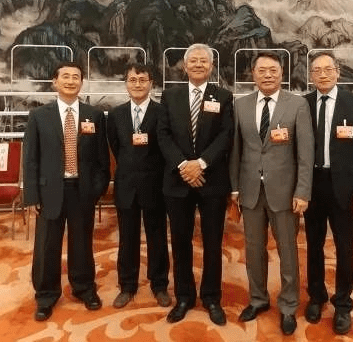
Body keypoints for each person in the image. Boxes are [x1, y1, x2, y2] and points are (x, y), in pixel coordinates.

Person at [229, 52, 314, 336]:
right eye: (262, 70)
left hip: (285, 193)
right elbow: (236, 151)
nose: (267, 75)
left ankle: (288, 305)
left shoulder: (297, 105)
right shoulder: (240, 105)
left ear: (281, 73)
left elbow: (305, 154)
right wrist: (235, 188)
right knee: (254, 251)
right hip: (250, 191)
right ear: (253, 74)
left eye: (273, 70)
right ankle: (258, 299)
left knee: (287, 252)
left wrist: (303, 191)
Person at [22, 61, 110, 321]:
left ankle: (84, 288)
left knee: (82, 243)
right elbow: (30, 159)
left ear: (82, 82)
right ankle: (46, 296)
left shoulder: (94, 115)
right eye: (65, 76)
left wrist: (97, 189)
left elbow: (102, 159)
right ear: (55, 82)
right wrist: (32, 195)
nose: (71, 81)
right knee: (46, 245)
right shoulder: (39, 116)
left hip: (82, 191)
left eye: (76, 77)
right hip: (49, 191)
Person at [157, 43, 234, 325]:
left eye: (204, 61)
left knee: (213, 242)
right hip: (177, 181)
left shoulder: (223, 96)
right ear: (185, 66)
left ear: (211, 66)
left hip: (211, 180)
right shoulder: (170, 96)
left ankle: (212, 298)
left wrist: (200, 164)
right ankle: (184, 297)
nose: (199, 64)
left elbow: (226, 135)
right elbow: (163, 134)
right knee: (180, 242)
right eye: (194, 60)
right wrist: (183, 165)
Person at [303, 52, 353, 335]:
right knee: (313, 245)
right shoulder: (303, 104)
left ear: (337, 72)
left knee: (345, 248)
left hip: (345, 188)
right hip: (312, 185)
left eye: (327, 69)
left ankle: (343, 304)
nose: (322, 74)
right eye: (316, 70)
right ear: (310, 75)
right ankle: (316, 296)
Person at [106, 63, 171, 309]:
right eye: (132, 80)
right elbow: (116, 146)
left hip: (155, 185)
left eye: (143, 80)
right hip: (126, 185)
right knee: (127, 238)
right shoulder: (116, 114)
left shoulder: (162, 112)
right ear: (126, 84)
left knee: (157, 237)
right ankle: (127, 285)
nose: (137, 84)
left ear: (151, 83)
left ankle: (159, 285)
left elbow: (165, 148)